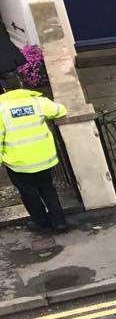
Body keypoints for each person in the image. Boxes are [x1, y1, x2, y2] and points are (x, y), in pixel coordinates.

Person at [0, 82, 69, 233]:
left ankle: (42, 223)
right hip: (43, 158)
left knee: (28, 193)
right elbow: (60, 110)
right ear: (21, 84)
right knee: (47, 188)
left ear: (4, 88)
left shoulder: (1, 108)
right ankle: (60, 222)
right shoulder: (37, 101)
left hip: (18, 163)